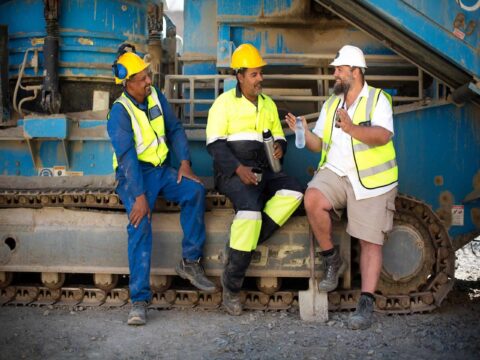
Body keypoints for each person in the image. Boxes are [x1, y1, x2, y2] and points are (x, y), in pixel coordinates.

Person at [285, 45, 398, 330]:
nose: (334, 74)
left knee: (370, 242)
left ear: (355, 72)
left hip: (372, 182)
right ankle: (332, 260)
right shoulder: (331, 104)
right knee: (312, 199)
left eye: (339, 70)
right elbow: (319, 145)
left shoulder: (378, 100)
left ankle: (366, 303)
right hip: (336, 173)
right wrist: (303, 131)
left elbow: (383, 136)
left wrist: (351, 128)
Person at [107, 44, 217, 326]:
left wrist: (184, 162)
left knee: (194, 190)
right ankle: (139, 301)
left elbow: (175, 128)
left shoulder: (155, 95)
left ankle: (190, 262)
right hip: (134, 176)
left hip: (161, 170)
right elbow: (127, 157)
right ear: (127, 82)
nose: (148, 80)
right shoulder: (119, 112)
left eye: (147, 75)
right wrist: (140, 196)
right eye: (142, 77)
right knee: (140, 223)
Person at [206, 43, 304, 316]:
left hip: (265, 171)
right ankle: (232, 286)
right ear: (239, 76)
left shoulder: (268, 104)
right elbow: (215, 146)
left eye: (261, 73)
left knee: (295, 192)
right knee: (250, 213)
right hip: (233, 173)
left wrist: (280, 147)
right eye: (254, 74)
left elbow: (278, 135)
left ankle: (242, 245)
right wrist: (239, 170)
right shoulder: (223, 104)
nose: (260, 78)